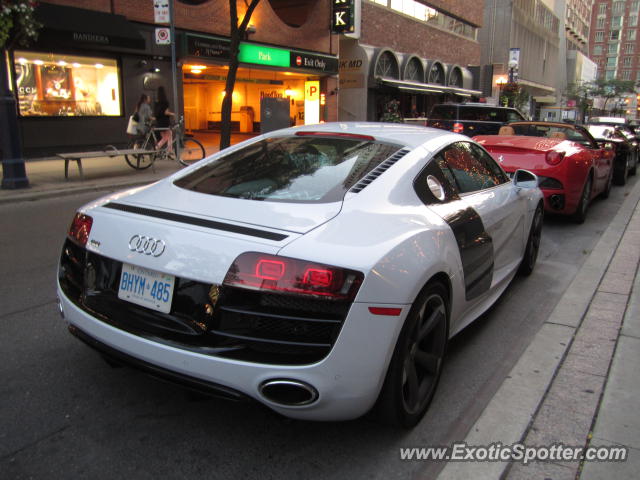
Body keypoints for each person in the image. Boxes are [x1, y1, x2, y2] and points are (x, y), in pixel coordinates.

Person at [154, 86, 175, 154]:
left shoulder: (156, 102)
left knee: (166, 137)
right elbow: (166, 112)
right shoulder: (165, 102)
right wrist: (173, 114)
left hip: (159, 122)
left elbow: (156, 113)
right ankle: (158, 148)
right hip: (165, 122)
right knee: (168, 136)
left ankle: (169, 150)